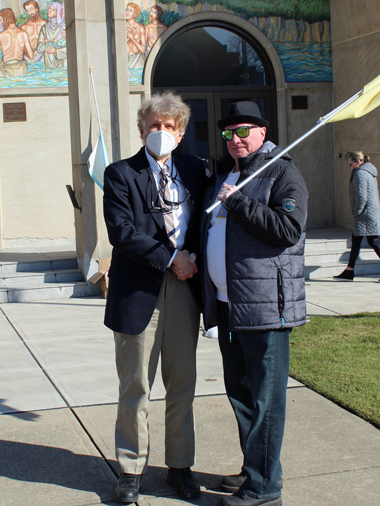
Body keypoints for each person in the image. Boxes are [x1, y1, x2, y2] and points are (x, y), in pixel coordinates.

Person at [200, 101, 308, 506]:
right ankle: (255, 470)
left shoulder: (282, 172)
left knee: (266, 400)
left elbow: (288, 229)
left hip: (265, 309)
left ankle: (265, 489)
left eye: (244, 131)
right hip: (229, 306)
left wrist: (240, 203)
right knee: (241, 394)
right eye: (229, 133)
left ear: (262, 132)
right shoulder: (227, 174)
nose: (236, 140)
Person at [103, 92, 208, 503]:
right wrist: (172, 259)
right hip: (139, 292)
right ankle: (131, 469)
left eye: (169, 127)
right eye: (154, 126)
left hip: (185, 291)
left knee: (182, 384)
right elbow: (123, 232)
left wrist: (193, 258)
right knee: (136, 388)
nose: (161, 133)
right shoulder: (120, 174)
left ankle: (180, 467)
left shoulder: (195, 171)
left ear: (180, 134)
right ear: (141, 130)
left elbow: (204, 221)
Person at [334, 151, 380, 283]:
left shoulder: (360, 173)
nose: (349, 166)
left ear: (358, 161)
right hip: (368, 213)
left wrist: (356, 211)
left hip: (365, 215)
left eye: (350, 163)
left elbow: (362, 196)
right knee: (357, 241)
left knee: (373, 242)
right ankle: (349, 271)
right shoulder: (369, 172)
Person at [0, 8, 33, 78]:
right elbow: (31, 56)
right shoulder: (23, 33)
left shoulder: (1, 35)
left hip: (6, 70)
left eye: (1, 20)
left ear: (4, 19)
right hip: (21, 70)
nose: (1, 22)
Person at [33, 1, 66, 69]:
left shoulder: (63, 27)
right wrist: (43, 43)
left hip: (61, 63)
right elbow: (39, 48)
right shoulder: (45, 27)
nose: (50, 11)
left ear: (58, 12)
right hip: (48, 62)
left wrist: (55, 51)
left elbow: (69, 48)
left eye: (53, 9)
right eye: (49, 8)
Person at [126, 2, 146, 69]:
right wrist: (128, 39)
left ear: (134, 14)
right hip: (126, 59)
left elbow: (143, 50)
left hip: (137, 60)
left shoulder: (140, 28)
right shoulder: (123, 26)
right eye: (127, 9)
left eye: (130, 10)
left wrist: (132, 38)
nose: (127, 12)